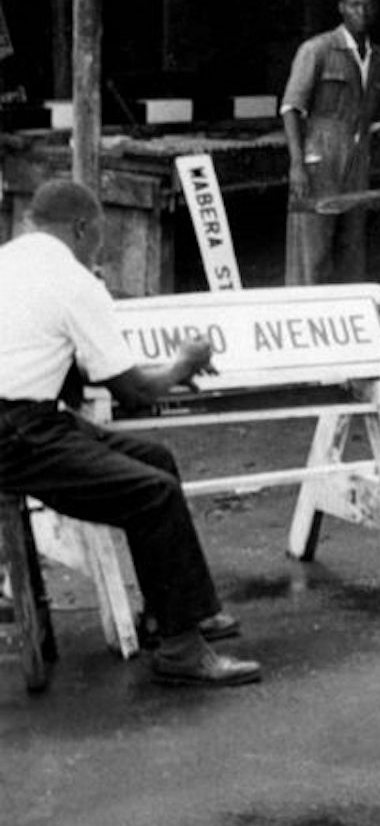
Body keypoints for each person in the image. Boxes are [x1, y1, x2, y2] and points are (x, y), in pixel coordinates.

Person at [0, 180, 260, 686]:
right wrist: (183, 363)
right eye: (99, 233)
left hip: (31, 420)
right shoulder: (74, 283)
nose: (101, 244)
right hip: (17, 434)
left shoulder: (8, 259)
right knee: (153, 494)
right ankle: (182, 650)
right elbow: (134, 389)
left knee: (155, 458)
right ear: (82, 227)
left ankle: (176, 612)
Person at [280, 0, 380, 286]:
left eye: (368, 6)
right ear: (341, 8)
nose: (362, 12)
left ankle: (344, 322)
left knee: (352, 245)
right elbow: (291, 108)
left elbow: (379, 122)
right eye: (355, 5)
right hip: (320, 155)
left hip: (357, 156)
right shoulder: (317, 50)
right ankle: (303, 318)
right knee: (313, 247)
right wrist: (297, 164)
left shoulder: (378, 59)